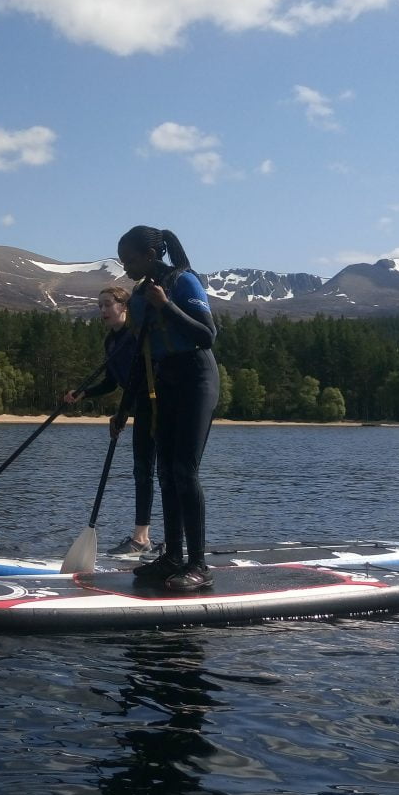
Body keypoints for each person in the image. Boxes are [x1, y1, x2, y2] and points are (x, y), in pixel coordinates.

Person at [116, 226, 220, 592]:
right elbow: (135, 358)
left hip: (197, 378)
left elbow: (207, 335)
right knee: (164, 472)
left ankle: (198, 564)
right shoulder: (140, 295)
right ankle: (173, 557)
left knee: (183, 469)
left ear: (149, 255)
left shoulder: (183, 281)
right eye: (122, 260)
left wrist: (167, 306)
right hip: (165, 382)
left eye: (129, 259)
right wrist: (123, 410)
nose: (125, 266)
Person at [62, 285, 160, 558]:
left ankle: (144, 539)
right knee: (142, 470)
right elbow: (112, 381)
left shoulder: (136, 335)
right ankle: (143, 538)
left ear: (124, 306)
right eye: (100, 306)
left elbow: (138, 380)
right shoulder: (111, 341)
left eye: (108, 304)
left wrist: (122, 412)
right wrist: (84, 393)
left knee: (153, 471)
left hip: (158, 406)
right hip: (139, 408)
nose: (103, 310)